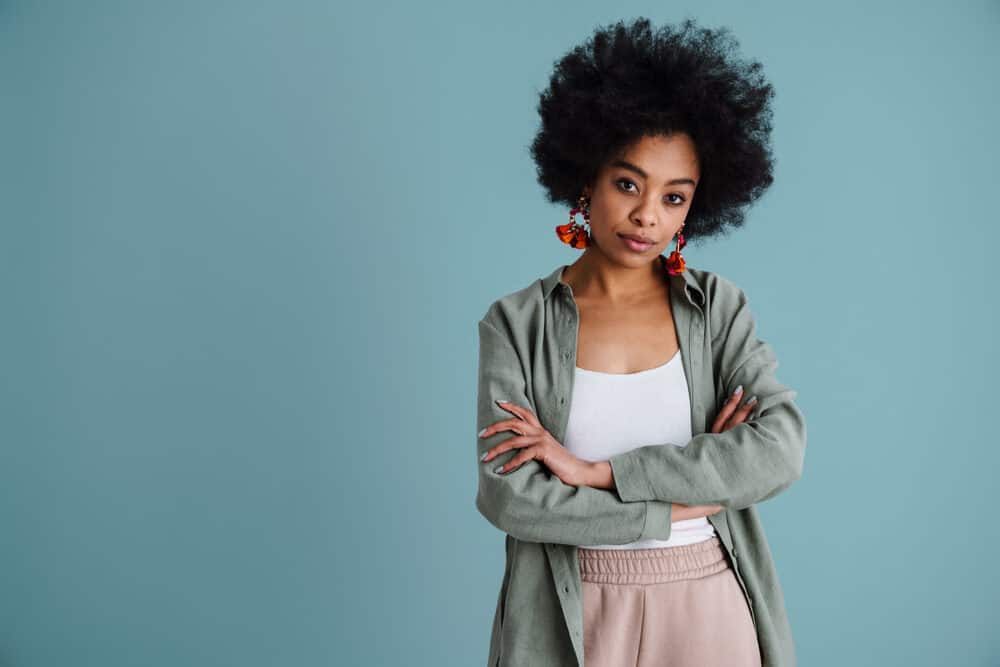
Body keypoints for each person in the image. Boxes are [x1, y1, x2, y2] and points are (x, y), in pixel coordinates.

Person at [474, 17, 807, 667]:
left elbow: (779, 449)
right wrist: (686, 501)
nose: (648, 215)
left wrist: (601, 474)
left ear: (693, 208)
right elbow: (511, 496)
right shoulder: (515, 324)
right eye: (628, 183)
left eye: (674, 196)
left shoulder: (718, 311)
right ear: (586, 179)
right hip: (575, 608)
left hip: (708, 601)